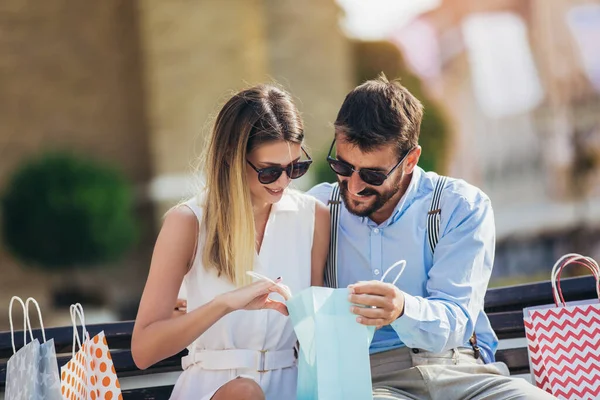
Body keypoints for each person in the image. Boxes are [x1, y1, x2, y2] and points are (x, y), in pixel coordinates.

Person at [308, 74, 556, 400]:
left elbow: (457, 319)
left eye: (372, 175)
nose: (354, 186)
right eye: (342, 166)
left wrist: (402, 309)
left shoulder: (461, 205)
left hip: (463, 372)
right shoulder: (316, 210)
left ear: (410, 160)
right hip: (371, 382)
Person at [132, 84, 330, 400]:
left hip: (291, 386)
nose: (284, 182)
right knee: (245, 393)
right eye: (269, 172)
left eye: (295, 167)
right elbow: (143, 351)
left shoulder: (313, 217)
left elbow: (316, 336)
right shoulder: (187, 222)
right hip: (214, 388)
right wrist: (224, 304)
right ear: (232, 159)